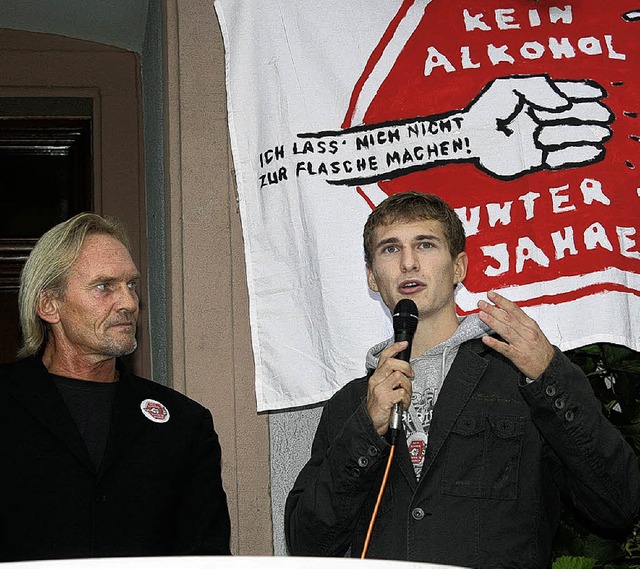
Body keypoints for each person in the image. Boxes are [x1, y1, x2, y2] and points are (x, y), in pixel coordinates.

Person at [285, 192, 640, 568]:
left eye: (425, 244)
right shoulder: (351, 403)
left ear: (459, 268)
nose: (408, 263)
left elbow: (617, 503)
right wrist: (365, 429)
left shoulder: (522, 378)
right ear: (373, 277)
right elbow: (308, 544)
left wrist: (550, 374)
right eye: (390, 249)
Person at [0, 213, 231, 561]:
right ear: (49, 304)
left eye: (132, 285)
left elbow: (206, 557)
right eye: (104, 286)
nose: (128, 303)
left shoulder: (184, 424)